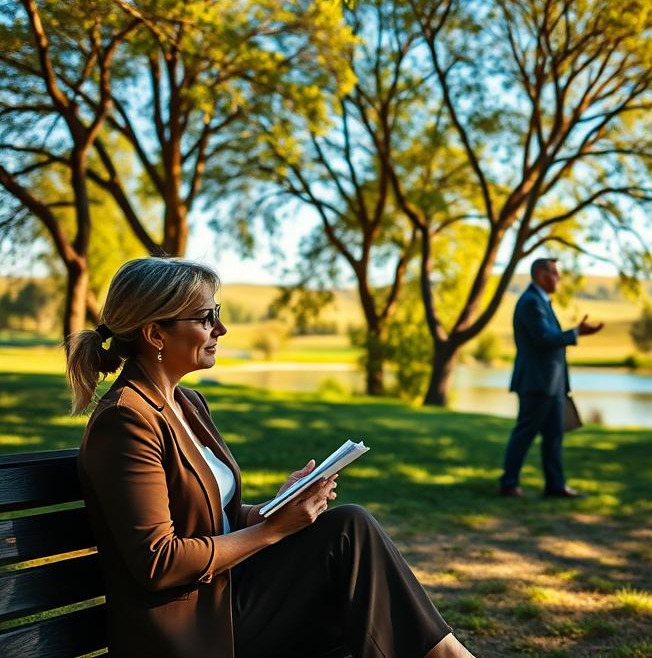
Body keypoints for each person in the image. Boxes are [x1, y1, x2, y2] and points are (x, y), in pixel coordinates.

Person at [67, 257, 475, 658]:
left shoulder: (186, 403)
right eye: (206, 317)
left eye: (217, 313)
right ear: (155, 334)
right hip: (194, 627)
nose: (221, 329)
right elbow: (159, 561)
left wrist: (273, 509)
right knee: (351, 546)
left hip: (229, 595)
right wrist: (272, 531)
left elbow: (207, 515)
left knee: (349, 532)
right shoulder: (126, 420)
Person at [498, 258, 603, 498]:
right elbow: (544, 339)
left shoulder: (541, 301)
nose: (559, 279)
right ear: (541, 275)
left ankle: (556, 486)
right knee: (524, 434)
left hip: (553, 384)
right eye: (555, 274)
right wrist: (576, 332)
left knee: (554, 437)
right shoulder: (530, 302)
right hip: (537, 383)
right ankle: (508, 483)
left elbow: (551, 339)